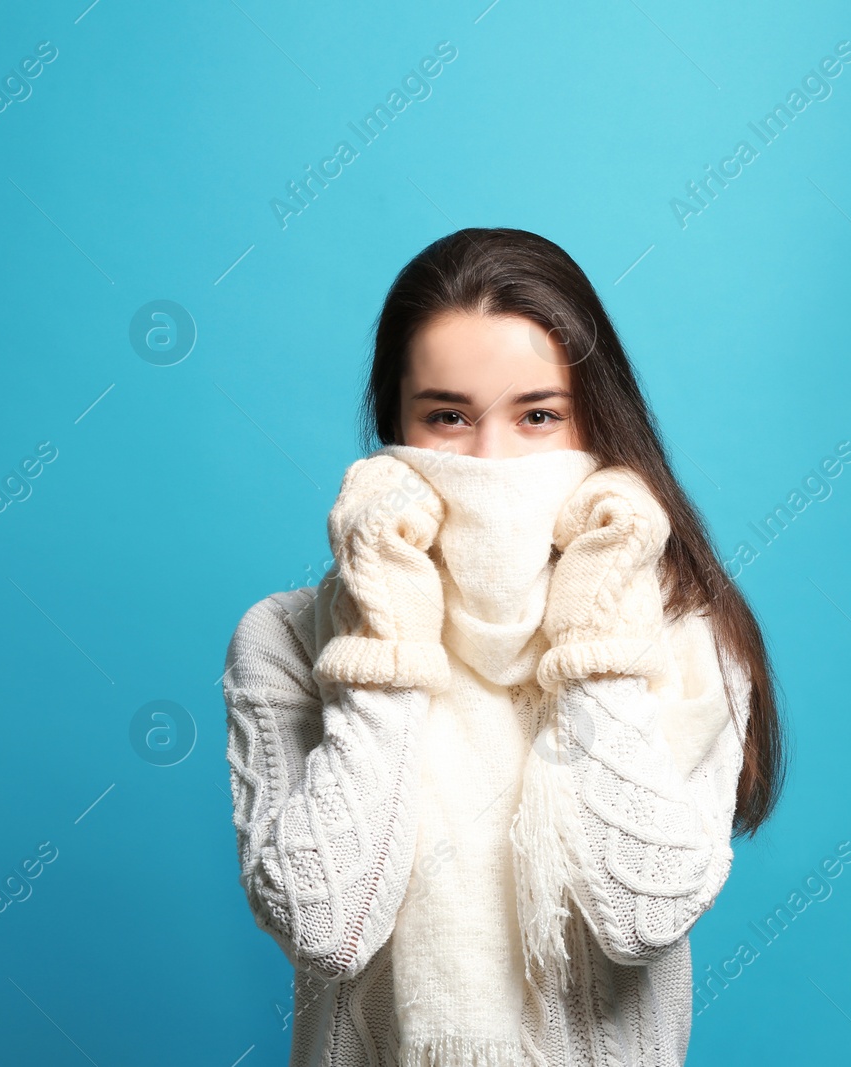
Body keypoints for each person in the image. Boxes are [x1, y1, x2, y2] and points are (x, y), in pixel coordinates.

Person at [221, 227, 785, 1066]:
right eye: (447, 416)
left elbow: (641, 915)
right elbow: (327, 927)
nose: (491, 459)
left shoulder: (684, 635)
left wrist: (595, 636)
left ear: (597, 420)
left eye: (538, 416)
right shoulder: (287, 639)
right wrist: (386, 643)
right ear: (393, 432)